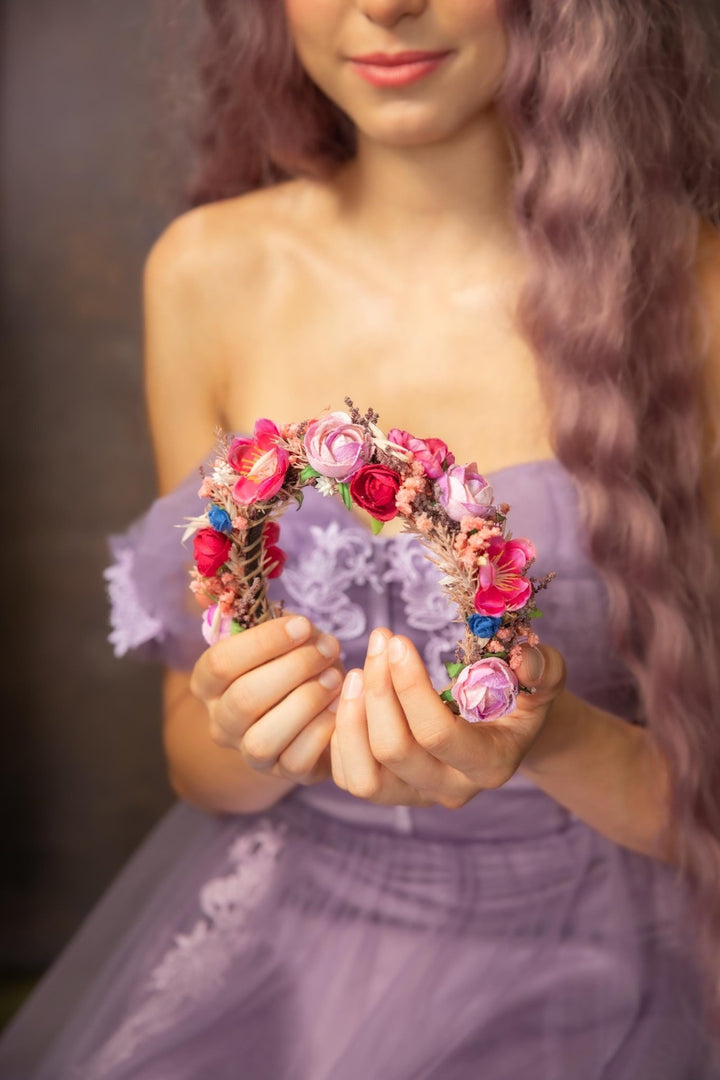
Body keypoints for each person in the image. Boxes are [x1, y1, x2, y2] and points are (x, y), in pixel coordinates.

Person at [2, 0, 720, 1076]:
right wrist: (254, 730)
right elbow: (194, 761)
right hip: (292, 956)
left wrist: (555, 734)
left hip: (606, 964)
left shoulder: (698, 297)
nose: (384, 3)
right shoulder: (204, 274)